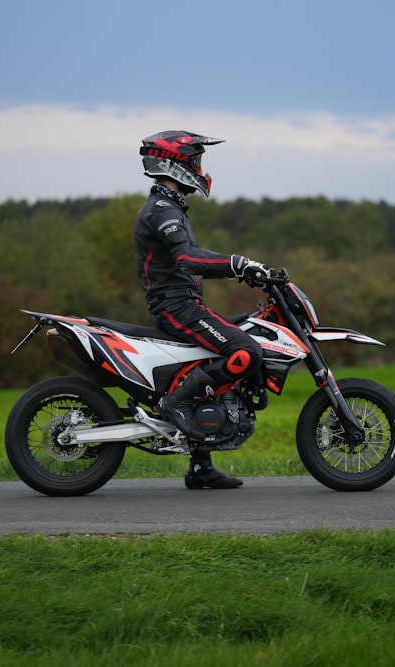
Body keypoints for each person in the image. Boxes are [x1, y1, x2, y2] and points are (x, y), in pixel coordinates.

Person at [134, 130, 272, 490]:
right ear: (176, 164)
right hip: (177, 307)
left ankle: (200, 467)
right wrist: (238, 264)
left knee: (228, 348)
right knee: (245, 350)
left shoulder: (170, 206)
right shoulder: (162, 210)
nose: (199, 167)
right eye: (195, 161)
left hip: (186, 304)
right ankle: (176, 403)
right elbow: (188, 258)